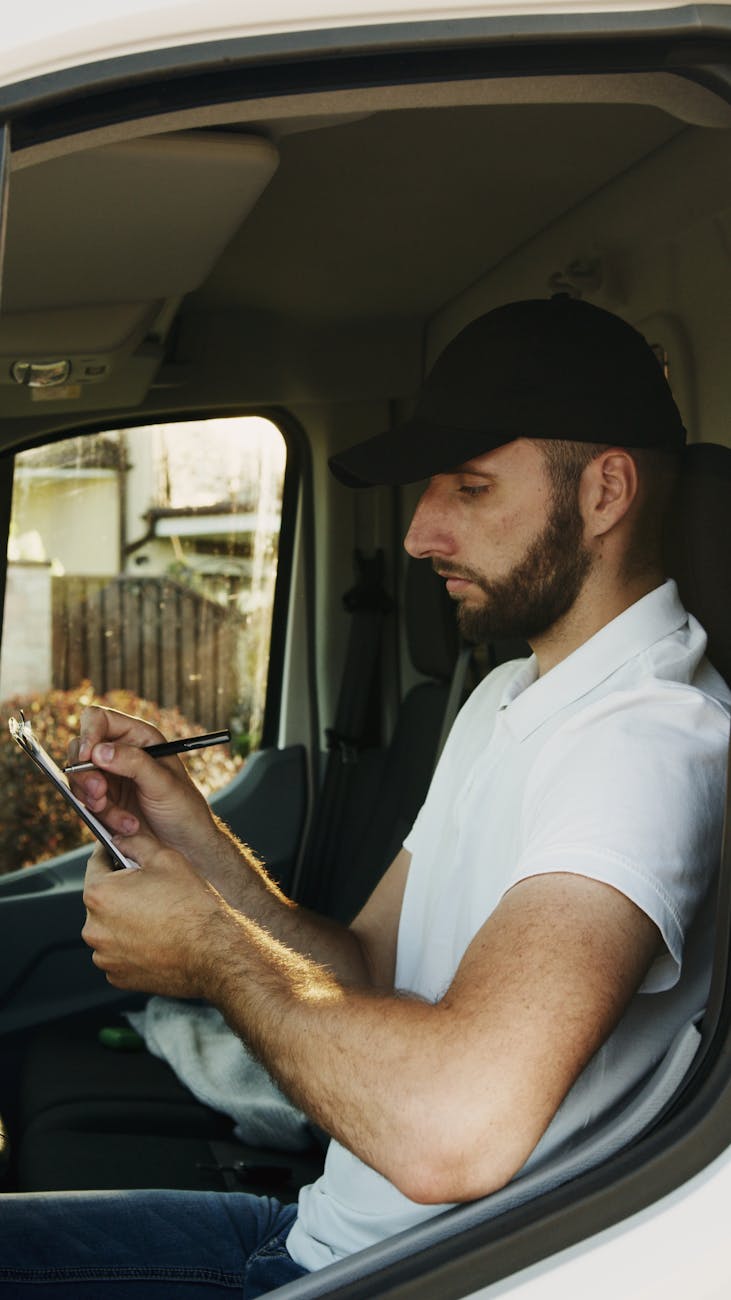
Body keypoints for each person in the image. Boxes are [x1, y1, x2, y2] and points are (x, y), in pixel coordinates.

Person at [1, 294, 729, 1299]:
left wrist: (212, 955)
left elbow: (454, 1133)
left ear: (605, 490)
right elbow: (364, 965)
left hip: (424, 1274)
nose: (424, 530)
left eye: (470, 488)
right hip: (323, 1232)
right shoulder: (510, 694)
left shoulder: (644, 744)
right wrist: (198, 845)